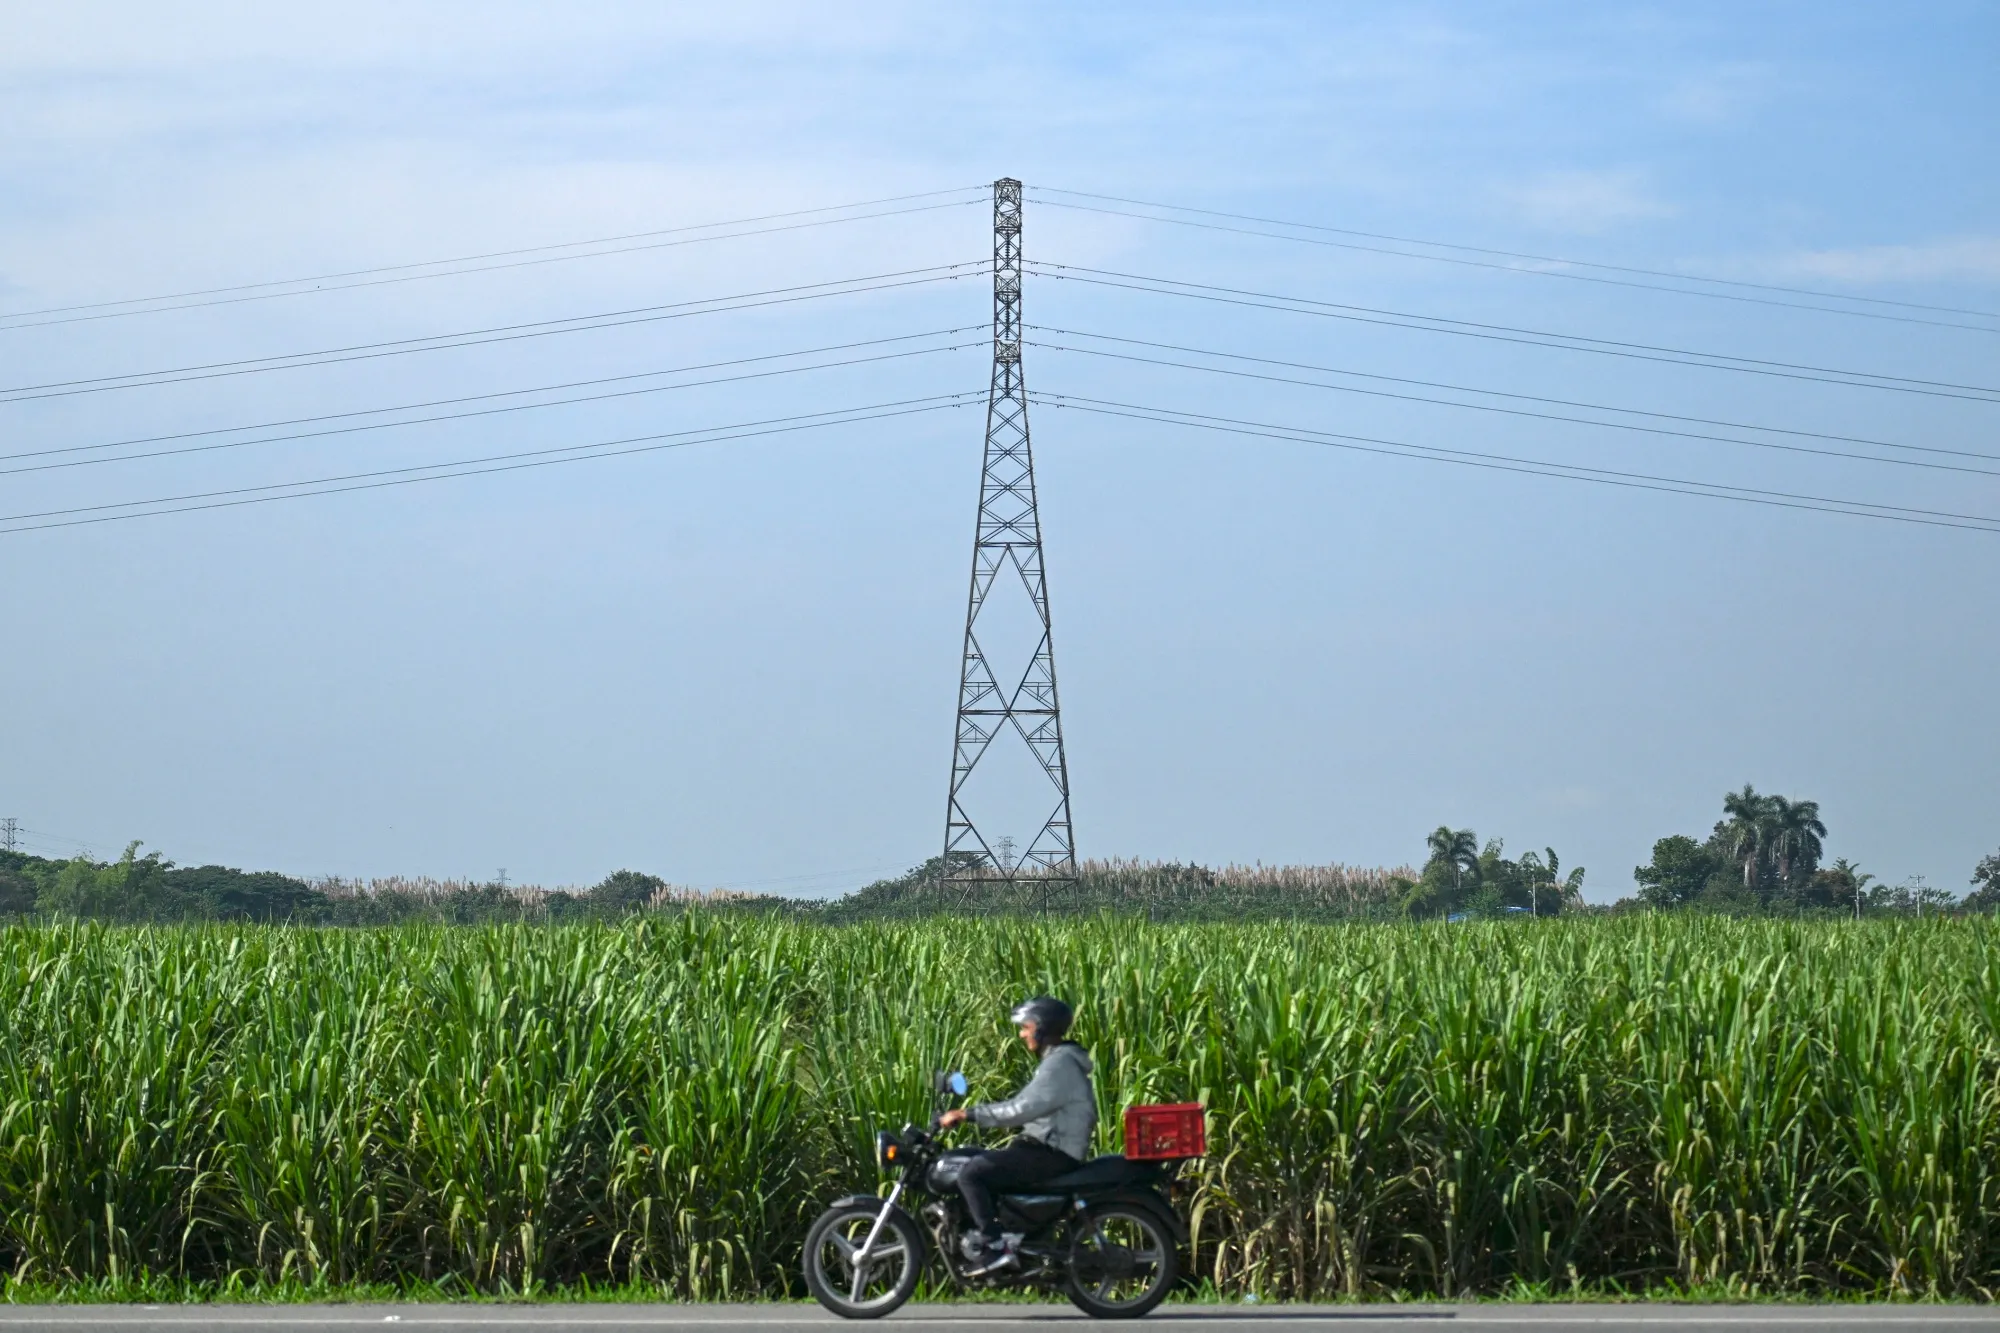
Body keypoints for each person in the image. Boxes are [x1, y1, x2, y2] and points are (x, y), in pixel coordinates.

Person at [938, 996, 1096, 1273]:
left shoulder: (1059, 1066)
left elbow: (1020, 1109)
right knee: (978, 1158)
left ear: (1042, 1028)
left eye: (1026, 1027)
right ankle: (1007, 1236)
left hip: (1052, 1152)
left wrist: (969, 1114)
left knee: (972, 1173)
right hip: (1048, 1147)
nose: (1022, 1033)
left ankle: (994, 1246)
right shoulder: (1058, 1061)